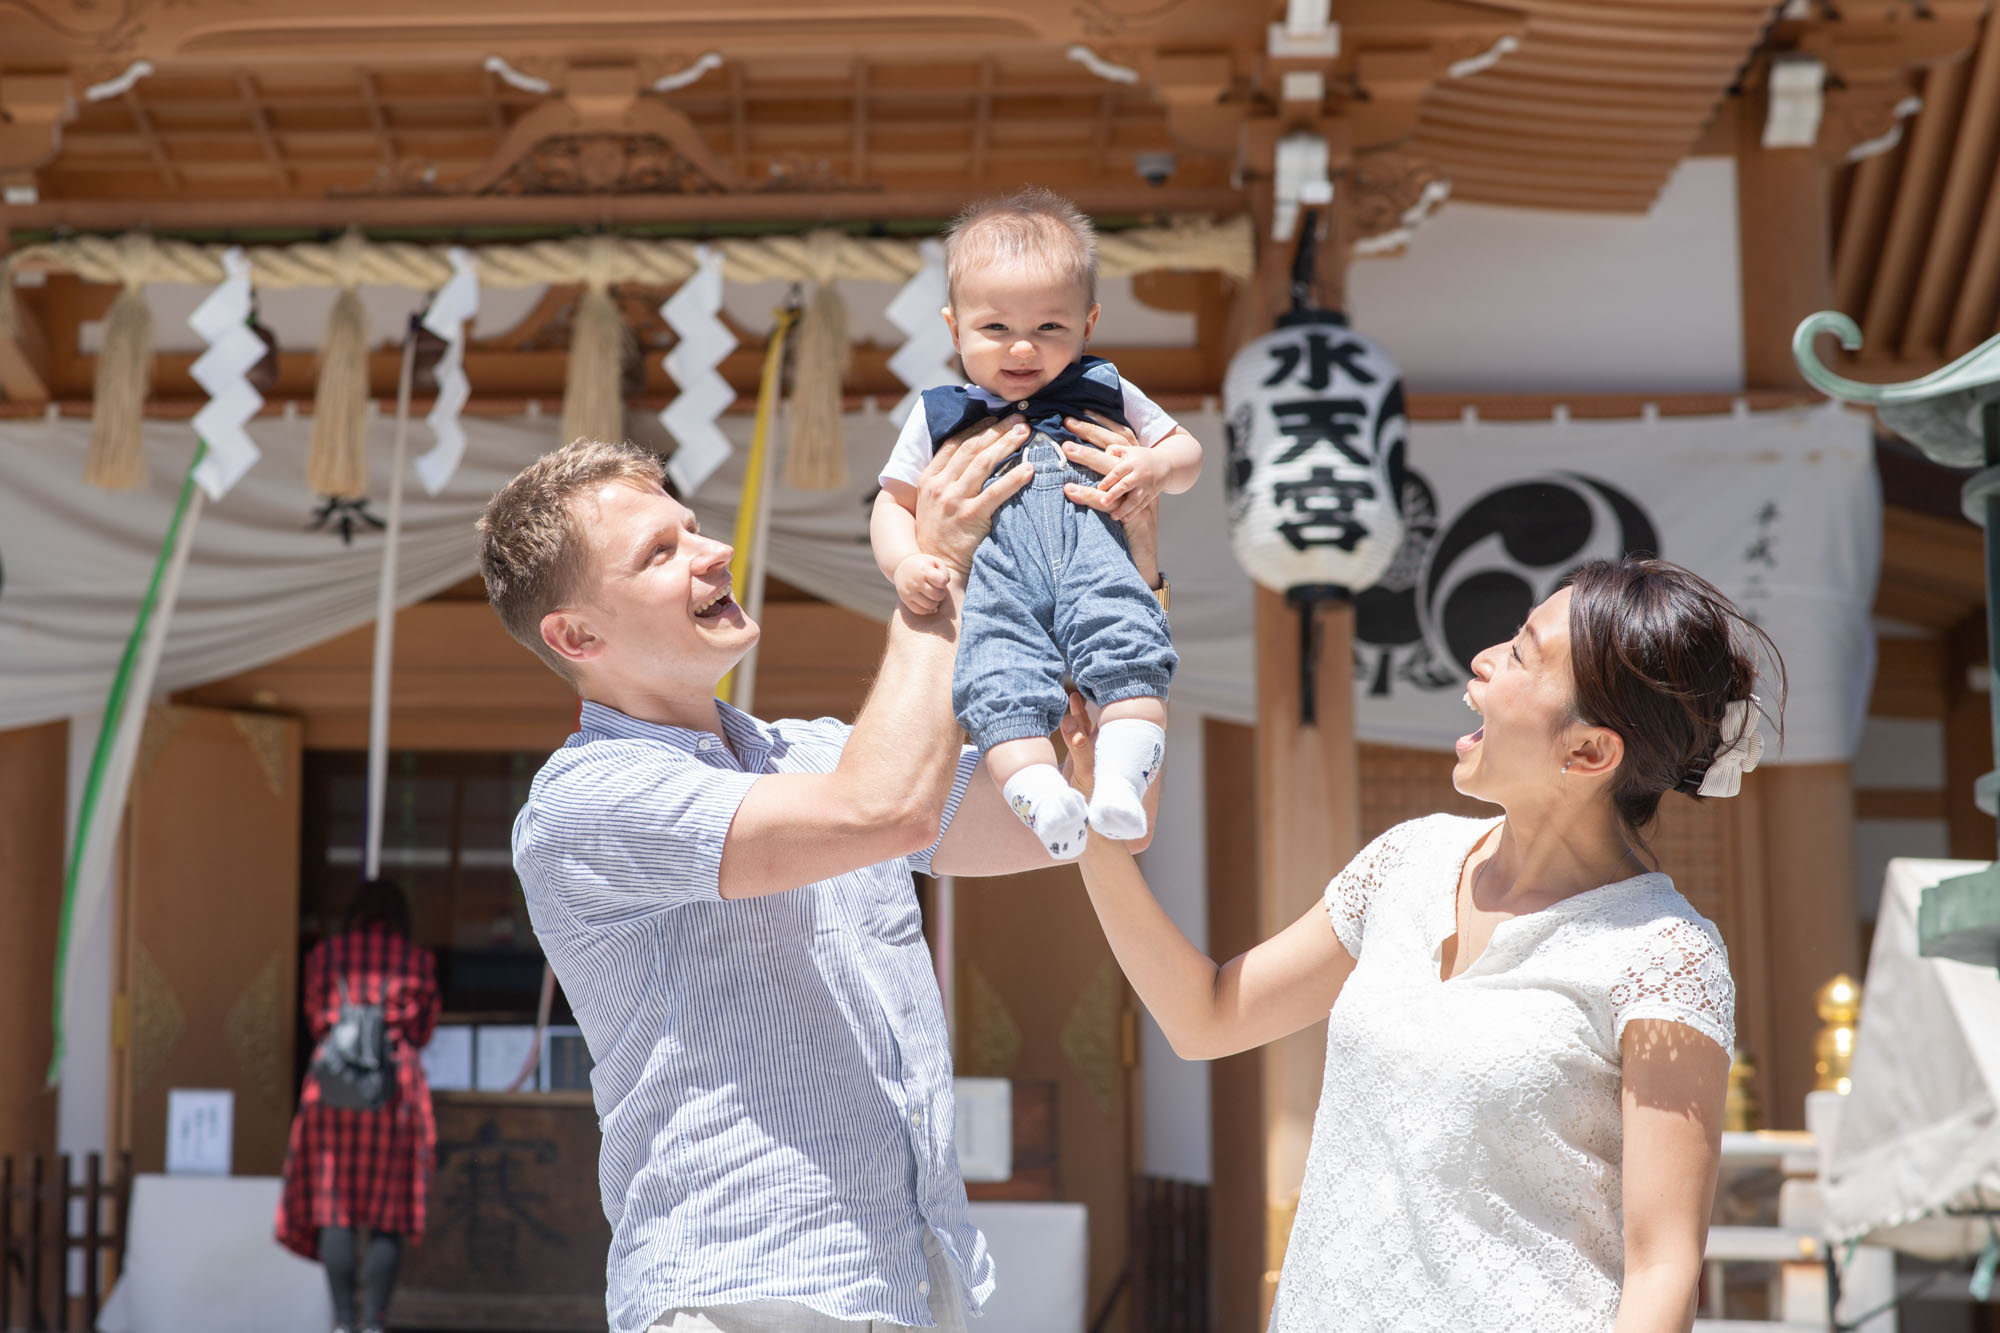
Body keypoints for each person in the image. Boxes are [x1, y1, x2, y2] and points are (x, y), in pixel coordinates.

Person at [474, 423, 1160, 1333]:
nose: (713, 551)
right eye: (661, 551)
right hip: (736, 1289)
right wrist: (934, 572)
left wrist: (1131, 577)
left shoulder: (815, 752)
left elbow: (1087, 820)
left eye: (693, 525)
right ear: (576, 632)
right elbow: (886, 811)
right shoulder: (584, 801)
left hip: (909, 1281)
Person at [1066, 558, 1780, 1332]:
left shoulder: (1663, 954)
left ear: (1589, 753)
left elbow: (1662, 1268)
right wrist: (1090, 840)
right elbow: (1204, 1017)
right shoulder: (1406, 861)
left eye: (1521, 653)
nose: (1483, 658)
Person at [870, 187, 1202, 859]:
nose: (1023, 347)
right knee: (998, 687)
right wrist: (905, 562)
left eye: (1050, 327)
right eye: (995, 329)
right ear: (954, 327)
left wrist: (1153, 469)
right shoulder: (941, 414)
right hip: (999, 583)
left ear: (1087, 324)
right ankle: (1044, 800)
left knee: (1131, 657)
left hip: (1096, 560)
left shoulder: (1105, 389)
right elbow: (892, 503)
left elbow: (1187, 453)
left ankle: (1116, 781)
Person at [278, 877, 440, 1333]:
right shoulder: (418, 961)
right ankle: (374, 1322)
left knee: (335, 1206)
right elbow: (424, 1031)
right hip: (395, 1087)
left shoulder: (324, 957)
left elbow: (314, 1019)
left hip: (332, 1086)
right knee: (388, 1209)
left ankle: (344, 1322)